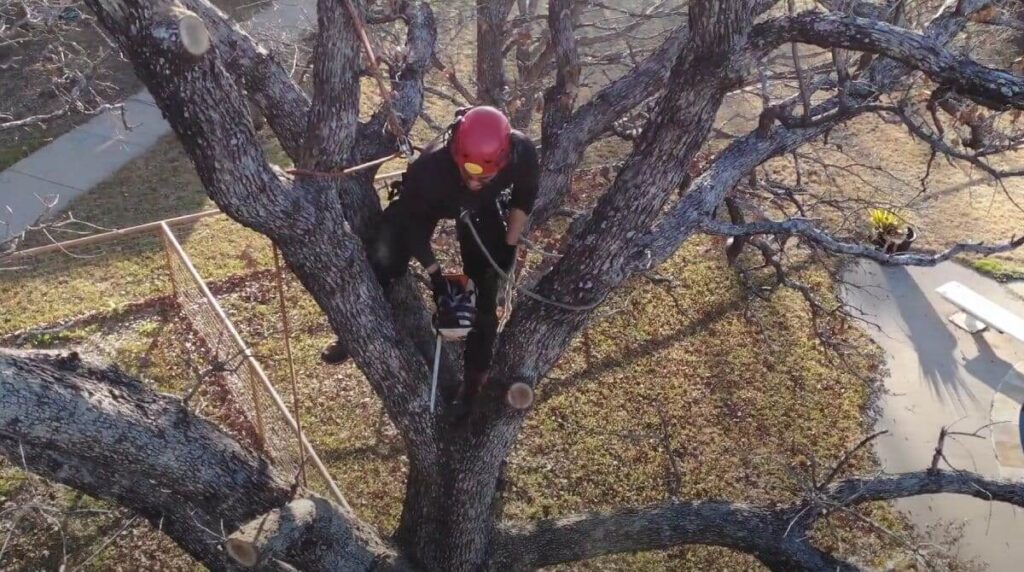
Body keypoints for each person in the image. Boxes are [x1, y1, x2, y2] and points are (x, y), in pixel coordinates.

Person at [321, 106, 540, 406]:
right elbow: (412, 226)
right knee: (383, 255)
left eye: (485, 177)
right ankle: (353, 331)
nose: (475, 182)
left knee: (485, 296)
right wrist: (436, 274)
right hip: (431, 204)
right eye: (469, 173)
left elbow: (524, 196)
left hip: (480, 210)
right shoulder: (430, 170)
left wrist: (508, 248)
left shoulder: (521, 152)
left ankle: (473, 386)